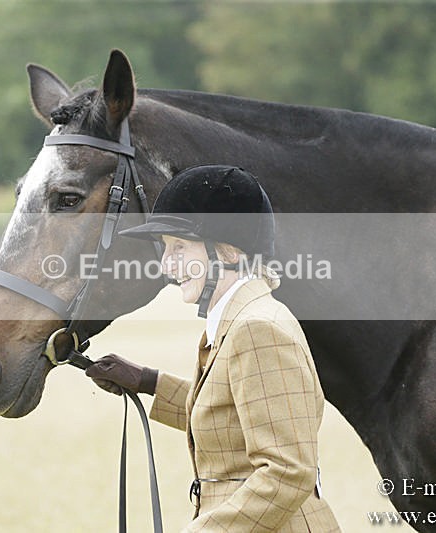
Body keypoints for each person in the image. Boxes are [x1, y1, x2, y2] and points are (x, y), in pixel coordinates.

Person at [85, 165, 340, 532]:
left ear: (229, 251)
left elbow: (288, 471)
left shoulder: (257, 330)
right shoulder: (239, 321)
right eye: (165, 249)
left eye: (180, 247)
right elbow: (235, 413)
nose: (167, 264)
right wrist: (147, 381)